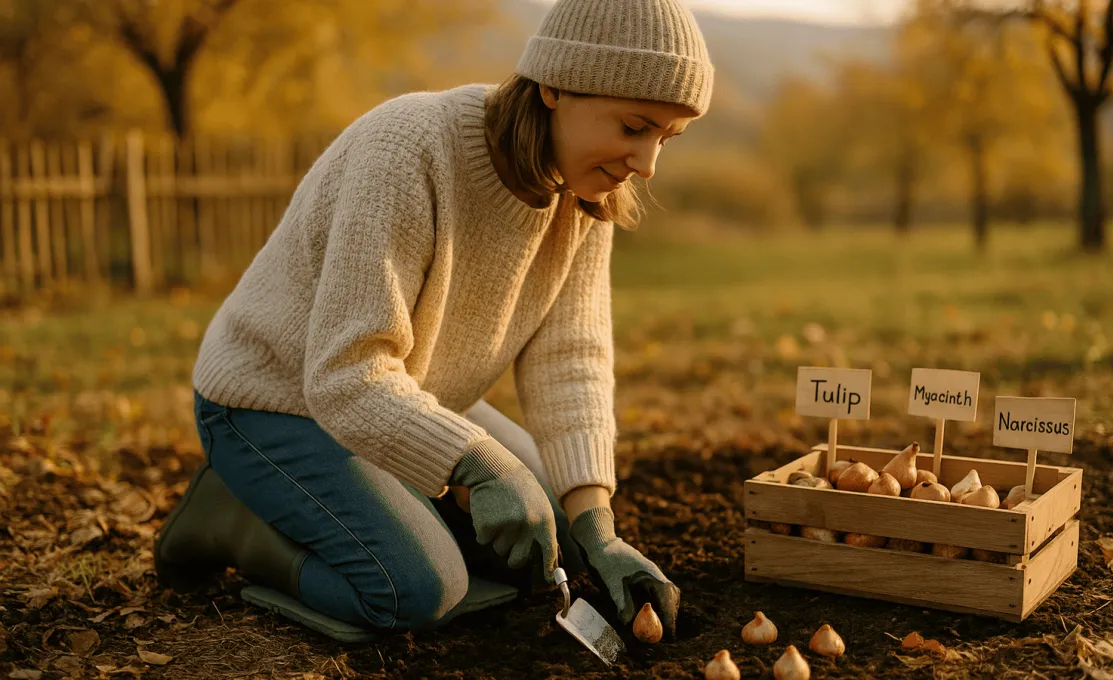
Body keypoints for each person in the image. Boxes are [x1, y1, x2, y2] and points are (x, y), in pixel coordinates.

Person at [152, 0, 713, 643]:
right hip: (272, 402)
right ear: (554, 85)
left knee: (560, 534)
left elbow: (571, 362)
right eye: (634, 127)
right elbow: (345, 374)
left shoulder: (585, 191)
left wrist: (598, 527)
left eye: (665, 139)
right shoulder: (409, 149)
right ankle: (231, 519)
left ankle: (400, 507)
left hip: (402, 393)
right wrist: (477, 465)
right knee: (415, 590)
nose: (645, 164)